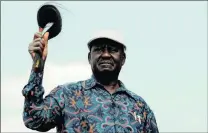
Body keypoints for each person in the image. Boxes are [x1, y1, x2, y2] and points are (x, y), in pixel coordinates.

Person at [22, 29, 159, 133]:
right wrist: (38, 64)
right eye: (99, 49)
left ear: (122, 58)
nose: (105, 54)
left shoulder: (140, 107)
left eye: (112, 50)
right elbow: (34, 119)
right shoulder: (67, 95)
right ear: (89, 57)